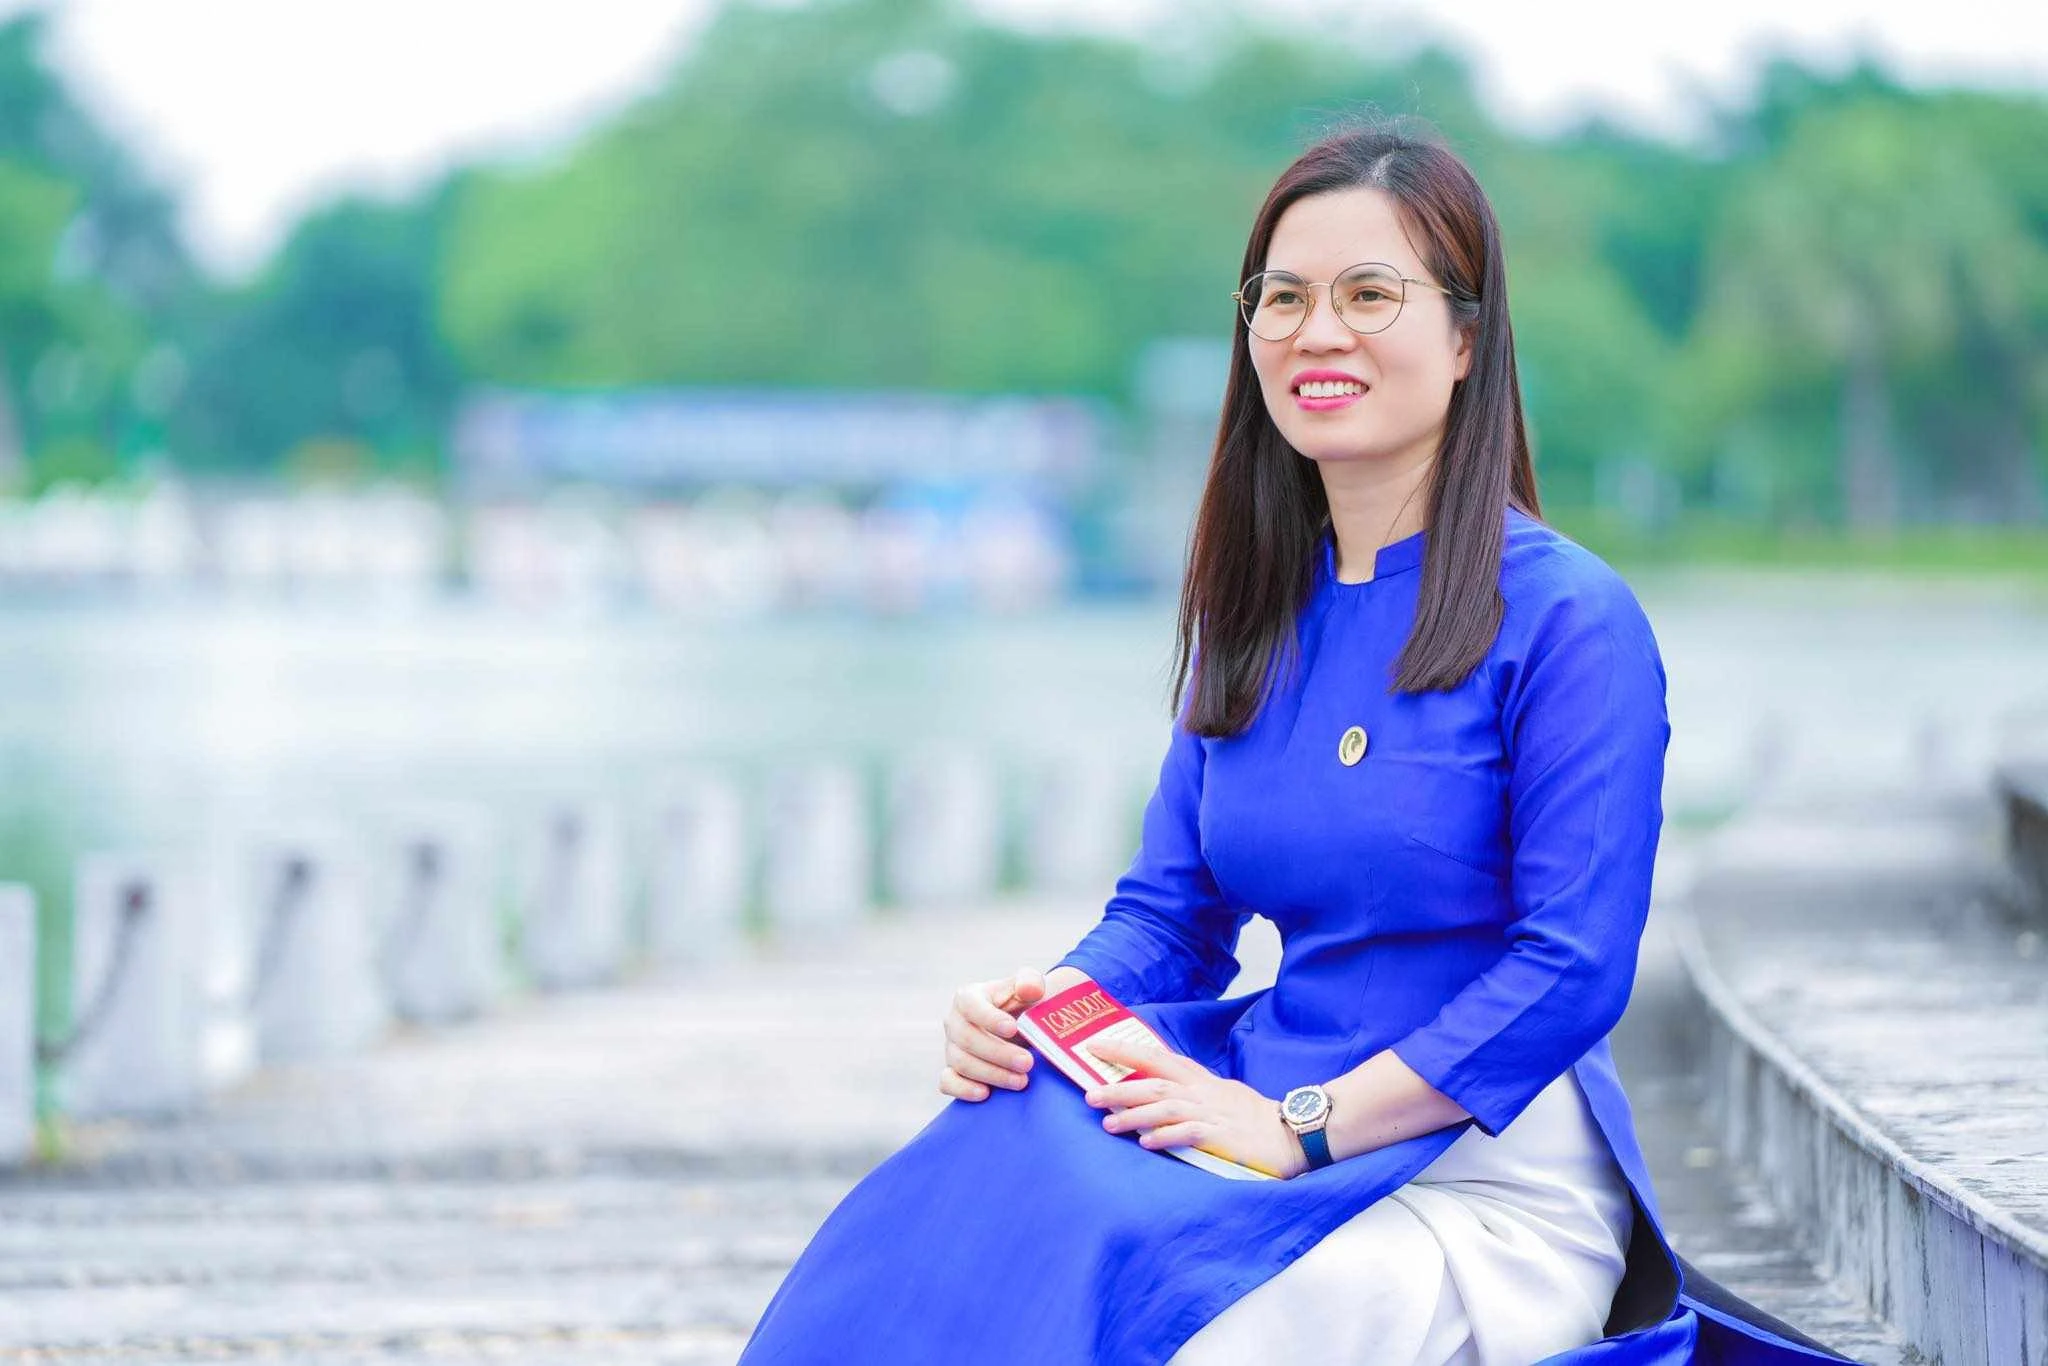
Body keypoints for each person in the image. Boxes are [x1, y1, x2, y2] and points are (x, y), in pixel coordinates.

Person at [737, 119, 1850, 1365]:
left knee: (1169, 1331)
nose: (1317, 332)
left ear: (1465, 338)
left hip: (1471, 1178)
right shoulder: (1254, 615)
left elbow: (1571, 966)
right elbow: (1168, 918)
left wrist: (1301, 1124)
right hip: (1251, 1125)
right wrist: (1039, 1010)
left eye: (1369, 294)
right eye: (1282, 298)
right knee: (958, 1193)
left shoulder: (1566, 619)